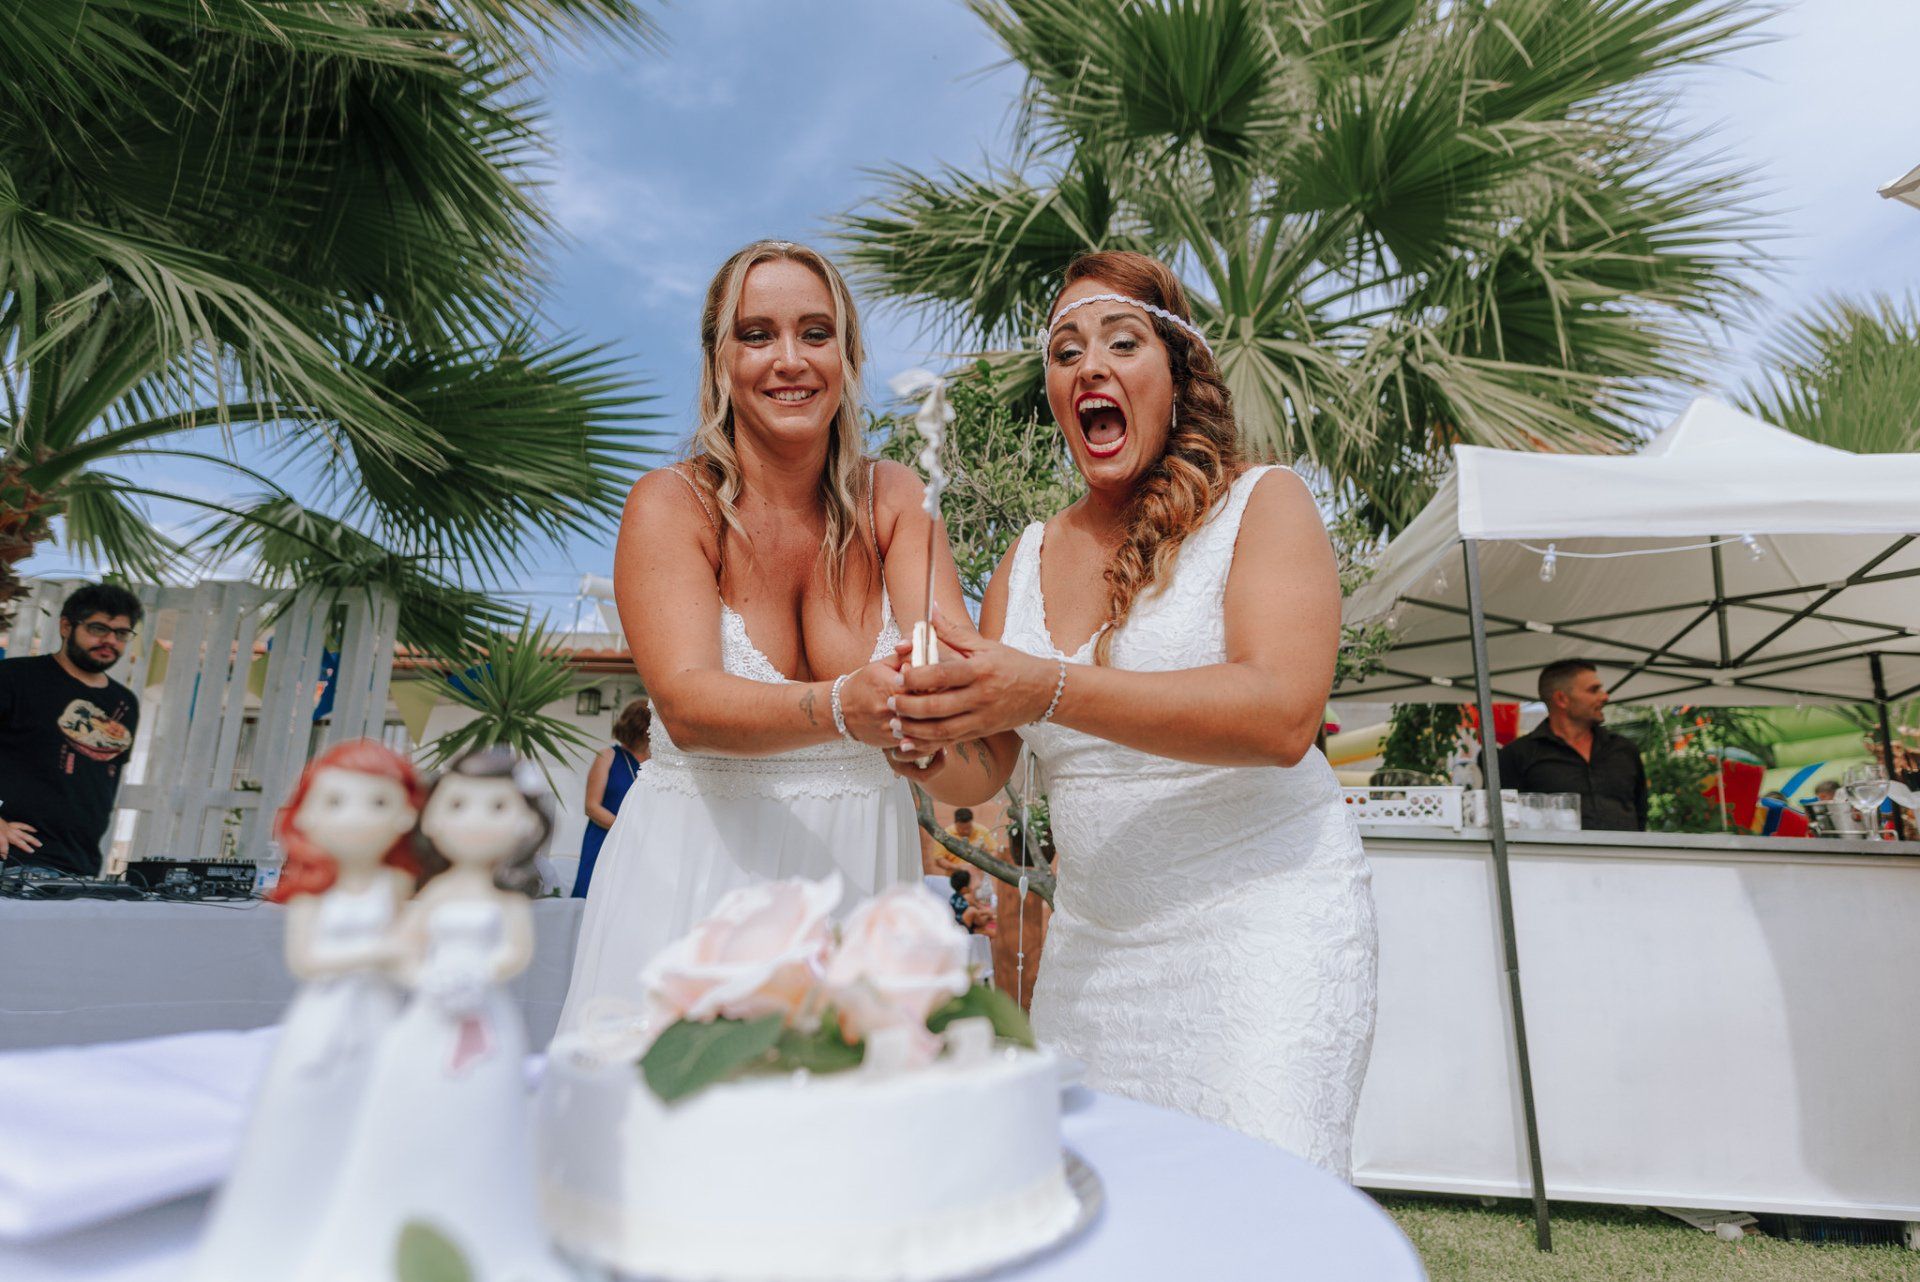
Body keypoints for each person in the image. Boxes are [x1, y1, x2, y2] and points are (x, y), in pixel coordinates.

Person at [889, 251, 1378, 1179]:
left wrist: (1049, 687)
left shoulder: (1263, 505)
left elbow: (1282, 715)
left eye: (1122, 342)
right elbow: (985, 765)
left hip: (1264, 930)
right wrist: (918, 740)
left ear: (1179, 373)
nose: (1090, 367)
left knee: (1258, 1209)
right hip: (1094, 956)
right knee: (1104, 1215)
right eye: (1066, 352)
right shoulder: (1025, 559)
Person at [557, 240, 970, 1032]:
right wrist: (847, 705)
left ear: (848, 358)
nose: (790, 359)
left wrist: (940, 725)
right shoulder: (671, 505)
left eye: (816, 334)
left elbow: (950, 692)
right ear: (720, 362)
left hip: (860, 888)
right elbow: (687, 705)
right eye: (756, 335)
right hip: (695, 892)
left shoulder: (896, 500)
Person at [0, 583, 143, 876]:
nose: (110, 640)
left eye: (121, 633)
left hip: (81, 866)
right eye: (99, 628)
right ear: (66, 626)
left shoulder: (124, 702)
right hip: (13, 860)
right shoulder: (15, 678)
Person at [1498, 659, 1648, 831]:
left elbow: (1641, 813)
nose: (1605, 696)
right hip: (1552, 849)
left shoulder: (1624, 749)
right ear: (1562, 699)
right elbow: (1506, 822)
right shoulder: (1518, 754)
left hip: (1625, 849)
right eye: (1593, 690)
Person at [572, 699, 651, 897]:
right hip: (605, 837)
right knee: (594, 894)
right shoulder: (608, 756)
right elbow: (591, 806)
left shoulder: (655, 764)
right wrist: (625, 829)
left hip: (640, 844)